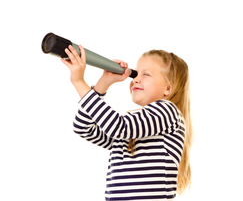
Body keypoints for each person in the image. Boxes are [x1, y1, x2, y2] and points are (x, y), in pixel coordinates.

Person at [61, 45, 194, 200]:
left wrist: (78, 82)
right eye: (136, 74)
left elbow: (118, 127)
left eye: (146, 75)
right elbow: (83, 127)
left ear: (168, 88)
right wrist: (103, 83)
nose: (136, 79)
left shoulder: (168, 111)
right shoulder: (133, 129)